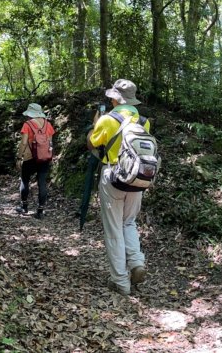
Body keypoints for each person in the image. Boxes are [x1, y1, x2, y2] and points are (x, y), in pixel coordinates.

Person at [87, 79, 150, 296]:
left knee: (114, 228)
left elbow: (93, 144)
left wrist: (95, 124)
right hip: (137, 178)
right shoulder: (144, 121)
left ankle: (120, 282)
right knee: (129, 222)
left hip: (112, 176)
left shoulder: (107, 119)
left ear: (115, 98)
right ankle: (136, 262)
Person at [15, 103, 55, 219]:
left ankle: (24, 206)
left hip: (30, 157)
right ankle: (40, 210)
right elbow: (50, 142)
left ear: (30, 113)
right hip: (44, 157)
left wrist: (19, 157)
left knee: (25, 180)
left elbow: (23, 142)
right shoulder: (48, 124)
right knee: (42, 182)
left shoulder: (27, 124)